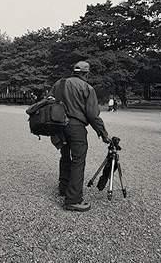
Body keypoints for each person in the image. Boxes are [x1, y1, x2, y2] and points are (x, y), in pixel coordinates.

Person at [48, 61, 111, 212]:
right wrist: (103, 133)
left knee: (65, 156)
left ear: (74, 71)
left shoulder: (59, 83)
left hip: (59, 125)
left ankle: (63, 188)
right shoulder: (87, 88)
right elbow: (92, 114)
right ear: (86, 73)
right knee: (78, 160)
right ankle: (73, 199)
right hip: (76, 127)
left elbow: (49, 102)